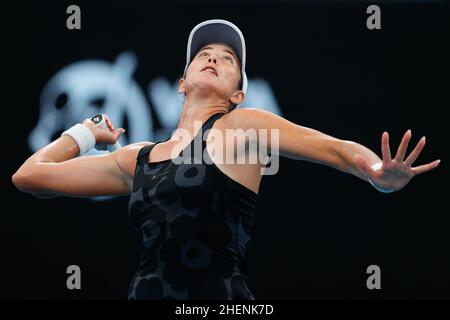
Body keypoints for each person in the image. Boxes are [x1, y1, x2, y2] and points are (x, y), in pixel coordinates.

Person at [12, 19, 440, 300]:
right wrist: (88, 129)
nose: (213, 57)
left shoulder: (241, 126)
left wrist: (377, 173)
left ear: (238, 93)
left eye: (227, 58)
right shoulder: (135, 159)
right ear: (182, 82)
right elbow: (30, 176)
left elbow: (335, 148)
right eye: (203, 54)